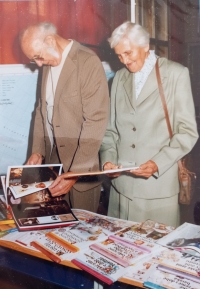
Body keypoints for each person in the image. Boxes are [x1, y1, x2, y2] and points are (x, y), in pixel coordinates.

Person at [100, 21, 198, 227]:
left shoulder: (175, 74)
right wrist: (108, 161)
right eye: (119, 55)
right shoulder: (118, 78)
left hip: (157, 190)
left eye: (128, 53)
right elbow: (110, 131)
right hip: (120, 191)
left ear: (145, 47)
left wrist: (157, 163)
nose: (124, 61)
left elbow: (187, 132)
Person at [20, 22, 109, 212]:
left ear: (51, 40)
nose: (38, 64)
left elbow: (96, 121)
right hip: (54, 167)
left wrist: (74, 173)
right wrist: (37, 151)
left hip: (81, 171)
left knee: (81, 234)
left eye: (37, 56)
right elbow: (41, 109)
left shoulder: (87, 62)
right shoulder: (48, 61)